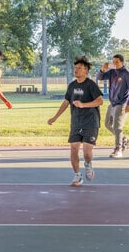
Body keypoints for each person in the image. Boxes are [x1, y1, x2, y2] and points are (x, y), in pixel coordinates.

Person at [47, 56, 104, 187]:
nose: (76, 70)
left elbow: (100, 101)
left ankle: (88, 164)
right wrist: (55, 117)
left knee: (87, 153)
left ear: (86, 71)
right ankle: (78, 176)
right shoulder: (72, 86)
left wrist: (84, 105)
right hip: (76, 122)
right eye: (75, 68)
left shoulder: (91, 85)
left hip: (90, 122)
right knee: (73, 148)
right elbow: (66, 102)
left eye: (79, 68)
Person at [96, 54, 129, 158]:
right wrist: (103, 69)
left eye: (117, 62)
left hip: (122, 103)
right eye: (113, 62)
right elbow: (99, 78)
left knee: (117, 127)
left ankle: (118, 149)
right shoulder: (112, 72)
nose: (114, 63)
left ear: (122, 62)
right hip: (112, 103)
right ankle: (124, 140)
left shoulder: (126, 73)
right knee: (107, 124)